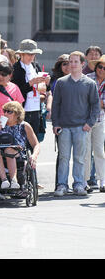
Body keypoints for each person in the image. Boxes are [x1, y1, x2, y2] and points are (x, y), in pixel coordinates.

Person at [52, 51, 100, 197]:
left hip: (81, 127)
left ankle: (79, 184)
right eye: (70, 62)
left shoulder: (90, 84)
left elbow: (95, 106)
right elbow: (56, 105)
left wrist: (89, 124)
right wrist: (55, 123)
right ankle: (61, 185)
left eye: (75, 62)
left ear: (82, 64)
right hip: (64, 127)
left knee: (80, 158)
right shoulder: (61, 83)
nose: (72, 64)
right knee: (64, 158)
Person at [0, 101, 40, 190]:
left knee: (9, 150)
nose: (5, 113)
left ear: (17, 114)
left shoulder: (24, 126)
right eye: (4, 111)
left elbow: (36, 144)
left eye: (9, 112)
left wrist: (34, 156)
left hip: (17, 154)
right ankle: (4, 180)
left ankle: (14, 180)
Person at [11, 39, 50, 141]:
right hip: (24, 109)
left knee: (34, 139)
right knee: (21, 139)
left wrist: (46, 82)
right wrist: (31, 83)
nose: (32, 57)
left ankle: (32, 157)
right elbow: (16, 90)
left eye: (33, 54)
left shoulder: (35, 66)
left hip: (36, 108)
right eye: (29, 54)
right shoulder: (16, 68)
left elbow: (44, 88)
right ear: (21, 54)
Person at [84, 55, 105, 192]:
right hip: (86, 121)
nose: (102, 70)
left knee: (99, 151)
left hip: (101, 120)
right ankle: (84, 181)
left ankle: (102, 180)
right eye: (100, 66)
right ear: (96, 67)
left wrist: (99, 103)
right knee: (85, 152)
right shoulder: (87, 79)